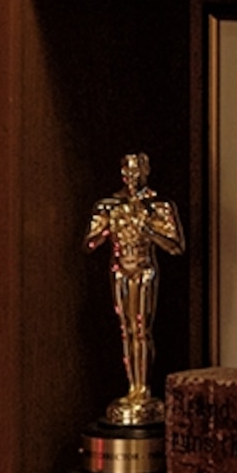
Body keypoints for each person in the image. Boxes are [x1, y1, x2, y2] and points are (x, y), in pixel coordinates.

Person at [86, 153, 185, 420]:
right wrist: (107, 226)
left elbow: (176, 246)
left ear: (146, 172)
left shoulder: (158, 206)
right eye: (128, 172)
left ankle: (143, 388)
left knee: (141, 329)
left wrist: (148, 229)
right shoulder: (109, 205)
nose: (132, 177)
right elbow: (89, 243)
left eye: (137, 172)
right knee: (126, 330)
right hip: (120, 269)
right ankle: (132, 387)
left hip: (144, 269)